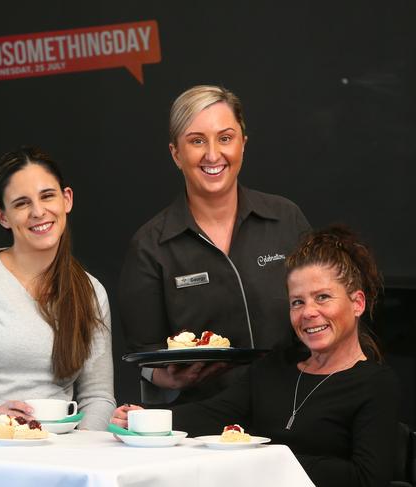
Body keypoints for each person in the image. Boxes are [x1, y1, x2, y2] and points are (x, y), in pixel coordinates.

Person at [113, 225, 400, 487]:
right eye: (297, 302)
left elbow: (367, 479)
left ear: (357, 303)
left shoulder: (375, 384)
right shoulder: (276, 367)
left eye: (323, 297)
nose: (308, 312)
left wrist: (267, 459)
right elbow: (209, 414)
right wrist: (144, 418)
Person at [119, 85, 311, 405]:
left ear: (243, 144)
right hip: (203, 426)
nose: (212, 154)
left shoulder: (286, 219)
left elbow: (321, 309)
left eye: (225, 138)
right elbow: (145, 355)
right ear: (176, 154)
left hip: (295, 409)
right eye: (197, 141)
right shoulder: (151, 246)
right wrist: (166, 375)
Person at [0, 146, 116, 431]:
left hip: (51, 446)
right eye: (21, 203)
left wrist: (83, 449)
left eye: (47, 196)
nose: (38, 212)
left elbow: (98, 396)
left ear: (66, 199)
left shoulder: (91, 292)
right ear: (2, 217)